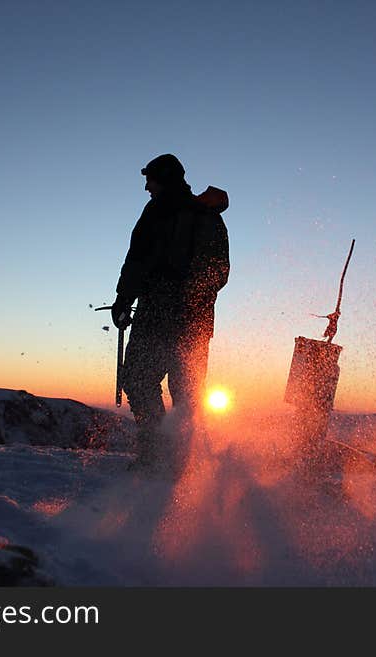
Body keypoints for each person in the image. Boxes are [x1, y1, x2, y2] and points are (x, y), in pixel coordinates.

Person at [111, 154, 229, 468]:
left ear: (163, 179)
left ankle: (156, 454)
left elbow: (137, 260)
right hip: (197, 323)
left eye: (150, 180)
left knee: (138, 379)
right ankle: (182, 462)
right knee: (188, 392)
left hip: (158, 316)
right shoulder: (209, 216)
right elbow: (220, 273)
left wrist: (124, 300)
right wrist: (194, 303)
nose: (147, 187)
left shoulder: (157, 211)